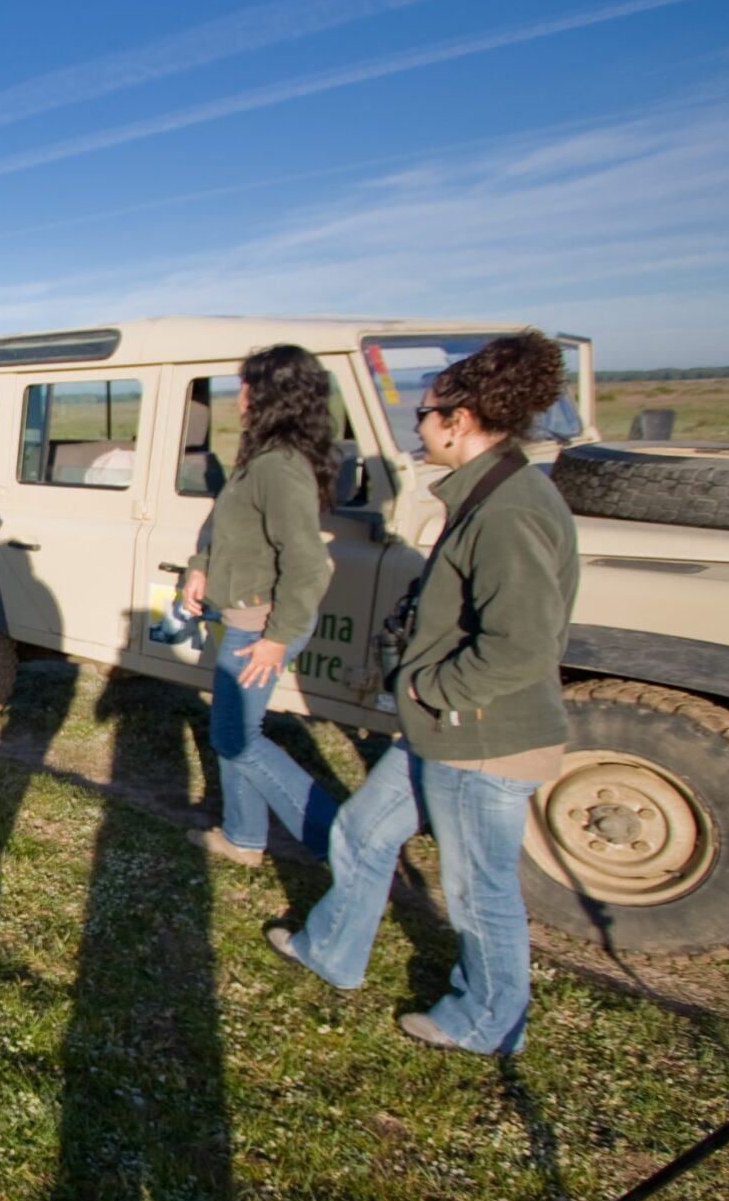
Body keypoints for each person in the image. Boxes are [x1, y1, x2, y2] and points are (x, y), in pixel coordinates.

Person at [268, 332, 577, 1055]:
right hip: (443, 726)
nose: (420, 426)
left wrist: (430, 687)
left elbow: (522, 644)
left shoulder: (509, 511)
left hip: (480, 735)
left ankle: (487, 1019)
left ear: (459, 421)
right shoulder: (493, 492)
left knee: (477, 889)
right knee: (362, 832)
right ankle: (332, 950)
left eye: (425, 413)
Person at [181, 344, 340, 867]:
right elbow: (229, 529)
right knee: (235, 730)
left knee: (235, 738)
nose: (240, 396)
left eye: (248, 385)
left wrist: (275, 639)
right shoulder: (262, 457)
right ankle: (244, 837)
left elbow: (308, 565)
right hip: (247, 619)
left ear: (274, 394)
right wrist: (201, 565)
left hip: (261, 626)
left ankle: (343, 845)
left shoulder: (279, 467)